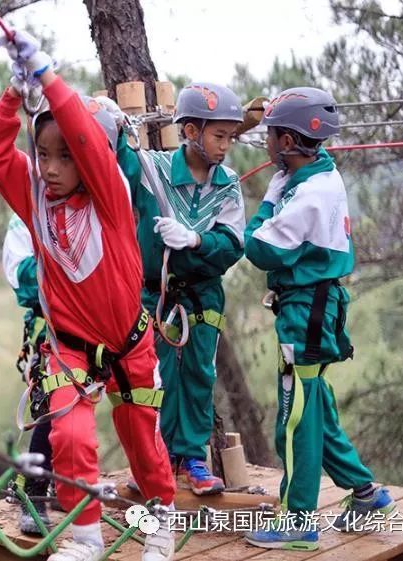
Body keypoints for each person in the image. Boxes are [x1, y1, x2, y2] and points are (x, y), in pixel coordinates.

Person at [0, 29, 176, 561]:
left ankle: (160, 524)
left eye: (64, 157)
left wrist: (47, 76)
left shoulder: (111, 196)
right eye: (42, 155)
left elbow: (86, 139)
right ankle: (85, 537)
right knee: (67, 436)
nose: (50, 168)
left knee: (142, 444)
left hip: (130, 344)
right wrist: (15, 95)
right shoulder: (34, 197)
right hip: (69, 347)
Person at [242, 87, 395, 551]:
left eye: (272, 134)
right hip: (314, 305)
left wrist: (270, 192)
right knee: (315, 406)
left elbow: (258, 247)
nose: (266, 142)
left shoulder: (308, 192)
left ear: (289, 141)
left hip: (306, 309)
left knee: (295, 415)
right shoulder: (320, 175)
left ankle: (299, 520)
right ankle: (366, 494)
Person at [100, 84, 246, 496]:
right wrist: (109, 124)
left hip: (202, 295)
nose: (225, 146)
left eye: (230, 137)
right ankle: (157, 458)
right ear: (189, 131)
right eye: (219, 135)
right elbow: (118, 163)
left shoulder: (228, 185)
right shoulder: (152, 172)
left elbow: (233, 245)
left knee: (199, 374)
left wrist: (197, 242)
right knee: (154, 377)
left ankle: (193, 458)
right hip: (155, 294)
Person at [2, 213, 52, 535]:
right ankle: (33, 490)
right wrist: (64, 268)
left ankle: (62, 483)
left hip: (93, 324)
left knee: (79, 408)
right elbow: (22, 279)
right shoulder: (24, 219)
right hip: (49, 326)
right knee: (51, 407)